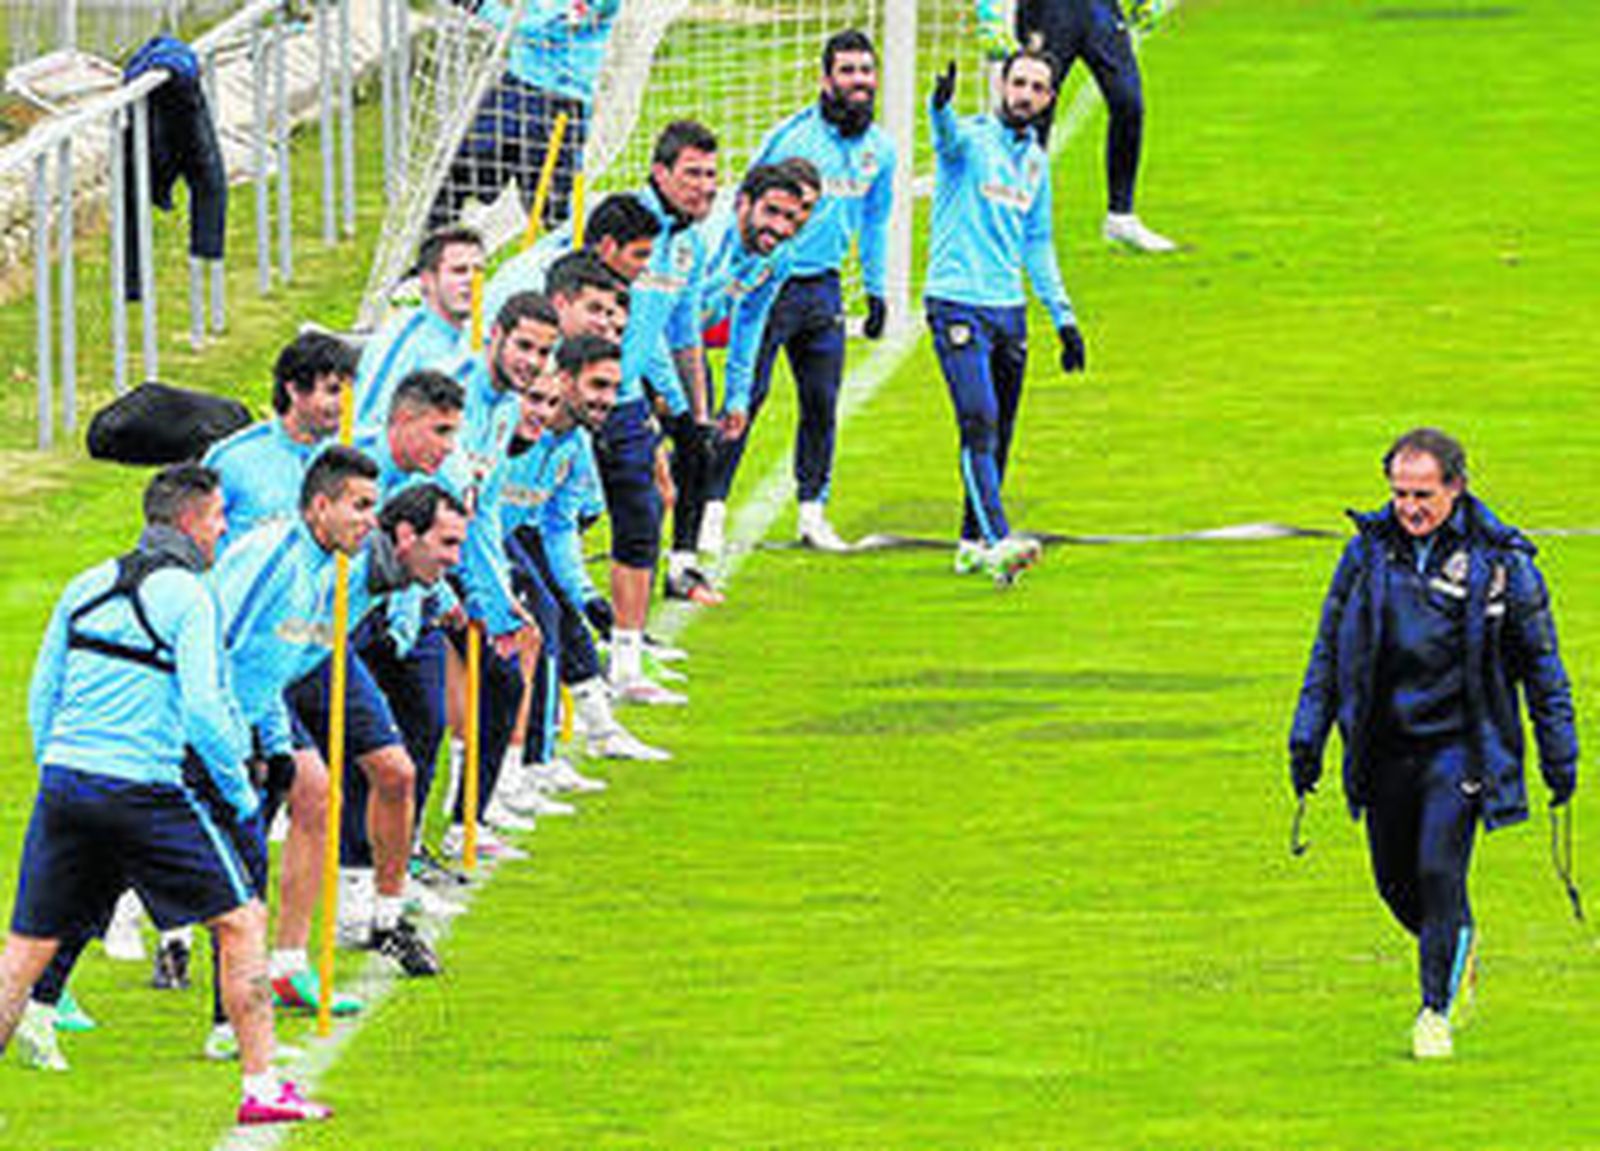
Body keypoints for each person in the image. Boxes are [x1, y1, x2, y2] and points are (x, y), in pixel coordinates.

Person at [0, 465, 331, 1123]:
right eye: (216, 518)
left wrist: (58, 773)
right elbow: (207, 708)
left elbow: (44, 694)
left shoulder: (86, 582)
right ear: (188, 522)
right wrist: (240, 793)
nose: (223, 529)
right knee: (240, 919)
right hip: (144, 787)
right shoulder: (192, 595)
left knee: (25, 948)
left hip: (67, 781)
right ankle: (262, 1086)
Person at [1289, 428, 1579, 1060]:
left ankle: (1433, 1015)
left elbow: (1543, 668)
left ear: (1456, 488)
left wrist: (1561, 758)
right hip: (1384, 746)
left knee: (1439, 870)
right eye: (1399, 494)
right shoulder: (1364, 557)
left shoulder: (1503, 565)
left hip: (1462, 749)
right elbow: (1327, 653)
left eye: (1423, 493)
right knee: (1395, 884)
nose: (1410, 507)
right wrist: (1307, 737)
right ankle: (1456, 943)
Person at [924, 53, 1084, 586]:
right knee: (978, 416)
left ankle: (970, 544)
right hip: (956, 302)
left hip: (1007, 310)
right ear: (1001, 84)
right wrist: (939, 104)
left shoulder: (1036, 161)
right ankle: (998, 539)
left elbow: (1037, 243)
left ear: (1048, 99)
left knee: (1001, 429)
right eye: (1018, 82)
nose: (1025, 94)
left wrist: (1063, 318)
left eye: (1037, 87)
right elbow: (945, 139)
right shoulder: (970, 140)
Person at [750, 29, 897, 551]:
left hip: (825, 292)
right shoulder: (791, 141)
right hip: (772, 287)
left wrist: (876, 292)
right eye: (848, 71)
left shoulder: (880, 149)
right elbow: (746, 211)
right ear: (825, 78)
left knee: (821, 403)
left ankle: (813, 513)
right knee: (747, 398)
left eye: (866, 71)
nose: (860, 81)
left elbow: (875, 223)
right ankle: (708, 514)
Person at [603, 120, 719, 705]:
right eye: (693, 173)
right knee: (562, 521)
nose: (705, 187)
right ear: (660, 172)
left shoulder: (690, 245)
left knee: (642, 512)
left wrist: (694, 415)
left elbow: (681, 332)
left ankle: (625, 656)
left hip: (625, 399)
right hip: (586, 397)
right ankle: (589, 639)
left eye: (711, 175)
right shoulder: (622, 228)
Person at [689, 163, 811, 571]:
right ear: (744, 203)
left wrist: (738, 397)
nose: (779, 227)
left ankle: (679, 561)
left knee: (690, 454)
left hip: (685, 346)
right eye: (772, 212)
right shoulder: (704, 241)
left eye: (791, 218)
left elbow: (749, 323)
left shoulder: (778, 259)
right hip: (650, 345)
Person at [981, 0, 1177, 252]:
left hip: (1099, 9)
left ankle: (1121, 217)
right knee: (1034, 112)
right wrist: (989, 15)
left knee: (1129, 103)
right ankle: (1011, 218)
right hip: (1045, 11)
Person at [429, 0, 622, 232]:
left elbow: (542, 30)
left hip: (561, 104)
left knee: (553, 211)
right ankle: (434, 260)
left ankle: (587, 261)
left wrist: (479, 6)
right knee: (455, 177)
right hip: (513, 90)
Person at [205, 331, 358, 546]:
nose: (344, 404)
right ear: (294, 390)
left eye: (348, 391)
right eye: (332, 390)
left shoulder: (353, 454)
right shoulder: (233, 461)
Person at [354, 226, 484, 430]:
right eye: (459, 271)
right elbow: (365, 423)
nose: (470, 281)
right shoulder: (402, 338)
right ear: (427, 280)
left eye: (478, 272)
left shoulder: (478, 336)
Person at [484, 192, 661, 326]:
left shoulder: (569, 264)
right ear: (608, 247)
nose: (645, 267)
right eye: (639, 255)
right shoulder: (543, 282)